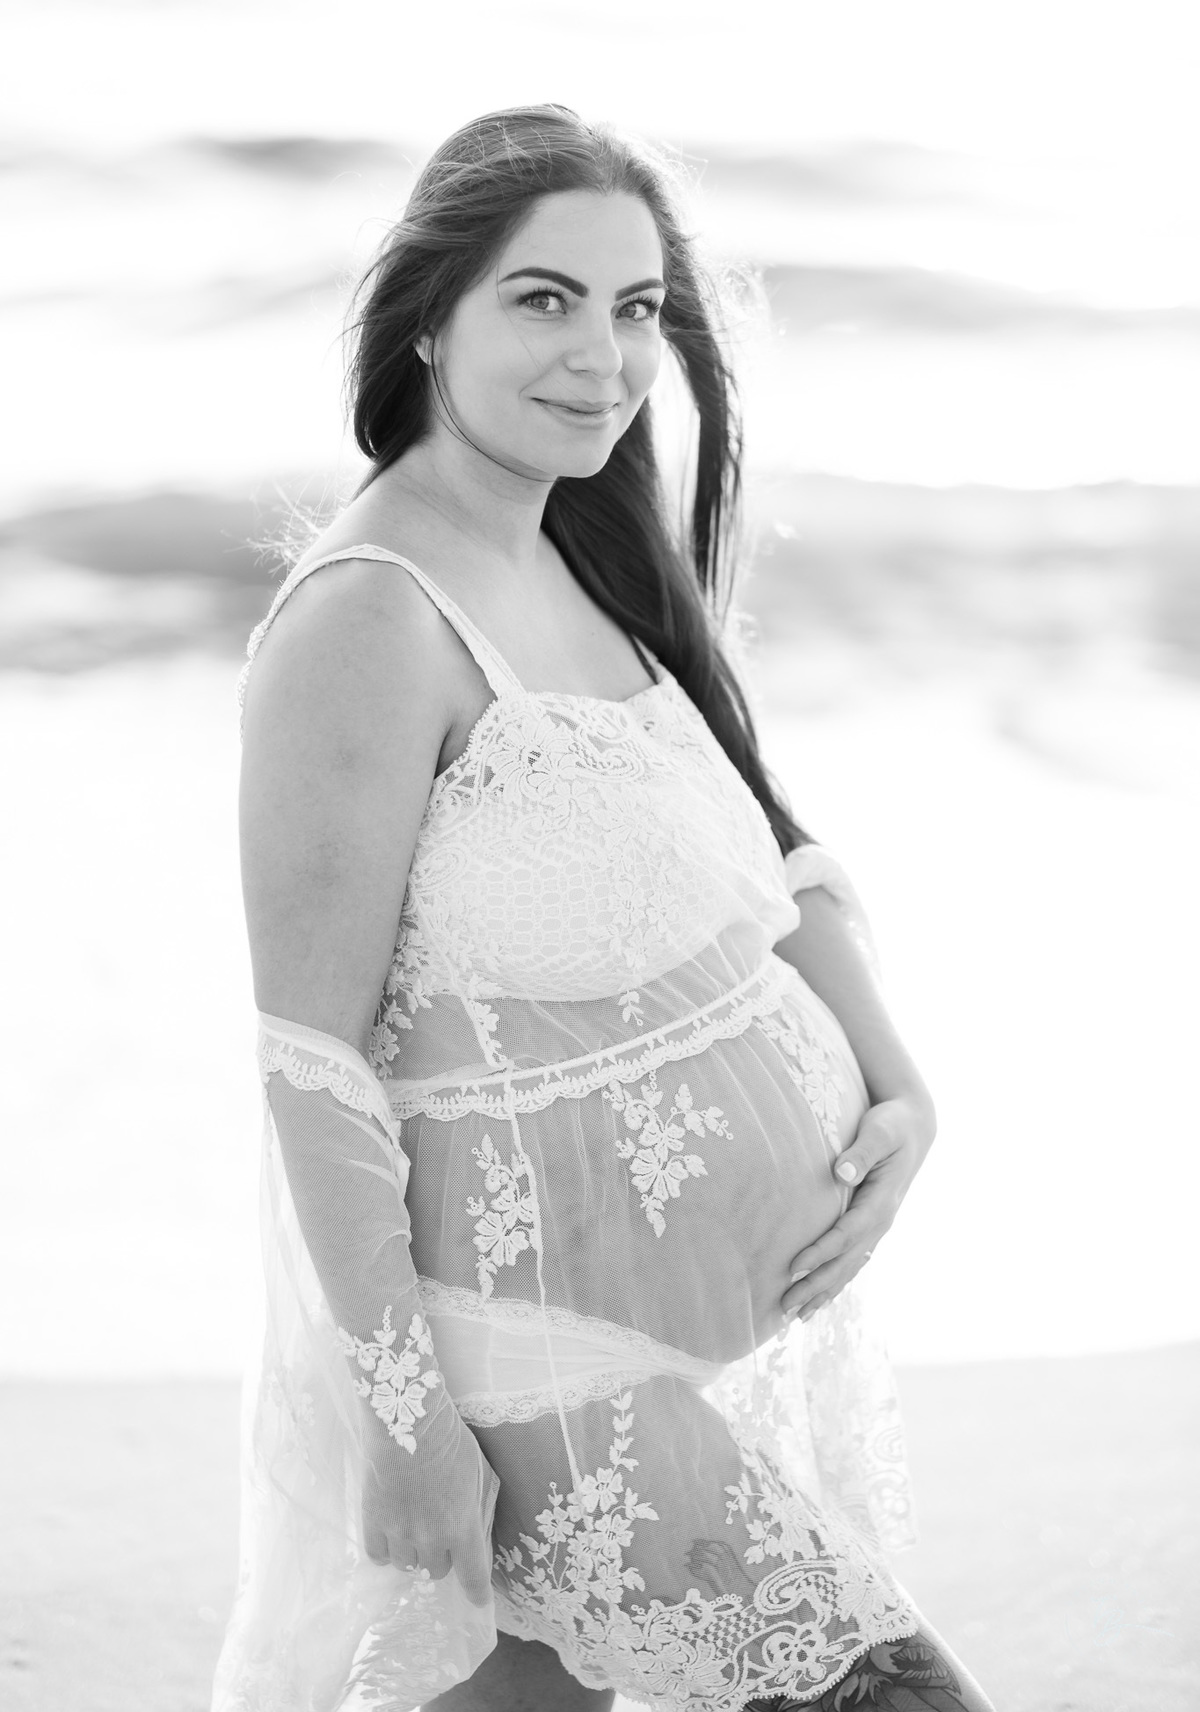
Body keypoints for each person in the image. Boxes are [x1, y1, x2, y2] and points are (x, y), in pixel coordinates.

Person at [212, 105, 993, 1712]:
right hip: (530, 1370)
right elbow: (313, 1062)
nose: (604, 358)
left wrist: (899, 1084)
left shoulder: (588, 547)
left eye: (636, 309)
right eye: (543, 299)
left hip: (678, 1359)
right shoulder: (369, 621)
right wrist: (409, 1420)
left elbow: (762, 854)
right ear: (430, 317)